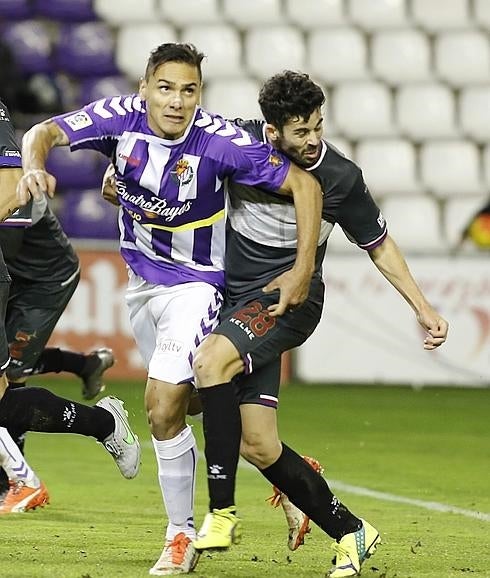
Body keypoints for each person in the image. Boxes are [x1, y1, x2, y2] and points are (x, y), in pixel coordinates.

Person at [15, 43, 323, 575]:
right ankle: (286, 471)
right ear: (144, 89)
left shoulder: (222, 142)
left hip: (198, 286)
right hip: (142, 288)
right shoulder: (119, 119)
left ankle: (179, 537)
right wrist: (31, 168)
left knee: (160, 405)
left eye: (189, 90)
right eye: (166, 88)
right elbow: (41, 132)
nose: (177, 101)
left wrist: (302, 270)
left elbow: (305, 184)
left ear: (199, 94)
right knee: (185, 408)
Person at [191, 71, 449, 577]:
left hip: (290, 304)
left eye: (318, 127)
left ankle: (218, 514)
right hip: (236, 304)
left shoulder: (341, 177)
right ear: (272, 132)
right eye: (300, 132)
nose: (313, 141)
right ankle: (352, 531)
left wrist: (422, 306)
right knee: (257, 442)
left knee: (209, 363)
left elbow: (378, 244)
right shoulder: (241, 147)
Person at [0, 98, 141, 513]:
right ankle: (14, 480)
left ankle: (105, 425)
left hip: (42, 279)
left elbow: (12, 194)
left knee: (8, 390)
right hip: (12, 267)